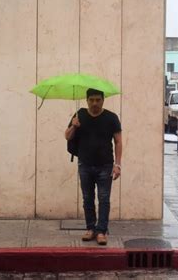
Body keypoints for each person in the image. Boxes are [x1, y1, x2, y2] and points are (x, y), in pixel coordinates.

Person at [64, 88, 122, 246]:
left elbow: (118, 141)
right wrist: (74, 126)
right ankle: (90, 229)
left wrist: (118, 165)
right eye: (92, 100)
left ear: (103, 100)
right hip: (85, 165)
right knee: (87, 199)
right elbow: (67, 136)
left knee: (104, 199)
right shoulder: (79, 115)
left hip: (105, 165)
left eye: (98, 99)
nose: (95, 103)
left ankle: (102, 231)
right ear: (87, 100)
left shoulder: (111, 118)